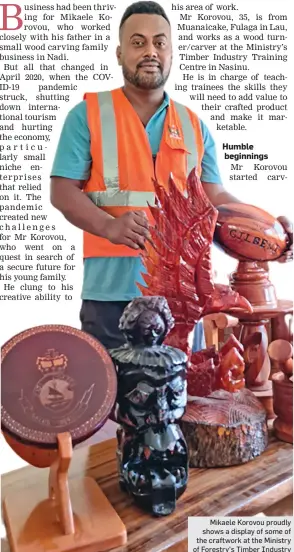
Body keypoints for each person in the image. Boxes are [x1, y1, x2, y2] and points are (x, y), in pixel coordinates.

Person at [50, 1, 292, 350]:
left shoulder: (194, 126)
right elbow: (62, 191)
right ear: (119, 53)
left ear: (172, 53)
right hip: (110, 294)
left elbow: (217, 201)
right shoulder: (87, 115)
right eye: (138, 42)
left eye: (160, 42)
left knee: (179, 399)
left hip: (182, 297)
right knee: (109, 400)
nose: (150, 51)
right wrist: (110, 226)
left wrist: (271, 234)